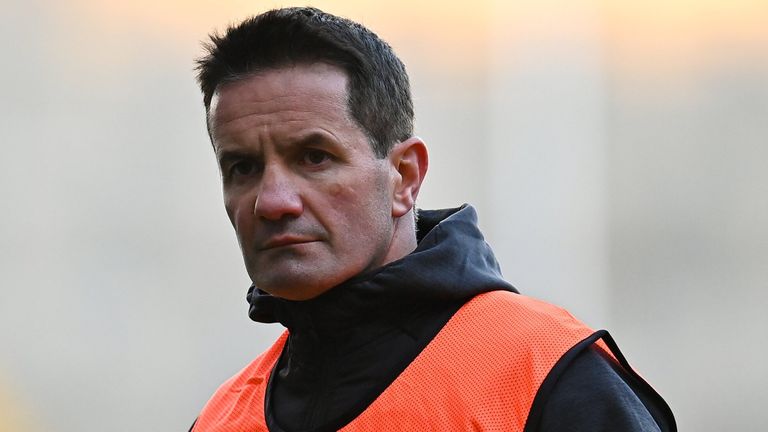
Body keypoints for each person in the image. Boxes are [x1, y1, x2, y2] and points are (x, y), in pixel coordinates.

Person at [190, 7, 676, 432]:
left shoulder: (546, 378)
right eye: (243, 168)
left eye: (314, 157)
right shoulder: (220, 418)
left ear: (404, 176)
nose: (272, 201)